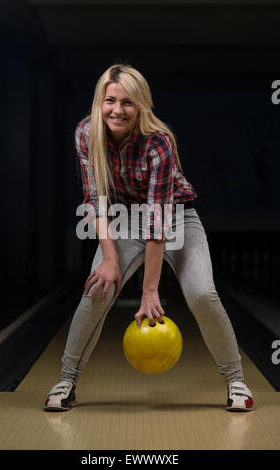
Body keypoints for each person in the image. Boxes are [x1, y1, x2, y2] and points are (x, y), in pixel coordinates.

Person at [44, 64, 254, 412]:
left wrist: (150, 290)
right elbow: (95, 201)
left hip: (176, 217)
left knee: (203, 294)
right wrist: (110, 260)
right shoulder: (86, 133)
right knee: (97, 290)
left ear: (140, 105)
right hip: (123, 219)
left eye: (127, 102)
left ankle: (236, 383)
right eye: (110, 100)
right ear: (100, 102)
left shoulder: (158, 142)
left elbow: (157, 220)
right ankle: (67, 381)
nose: (117, 110)